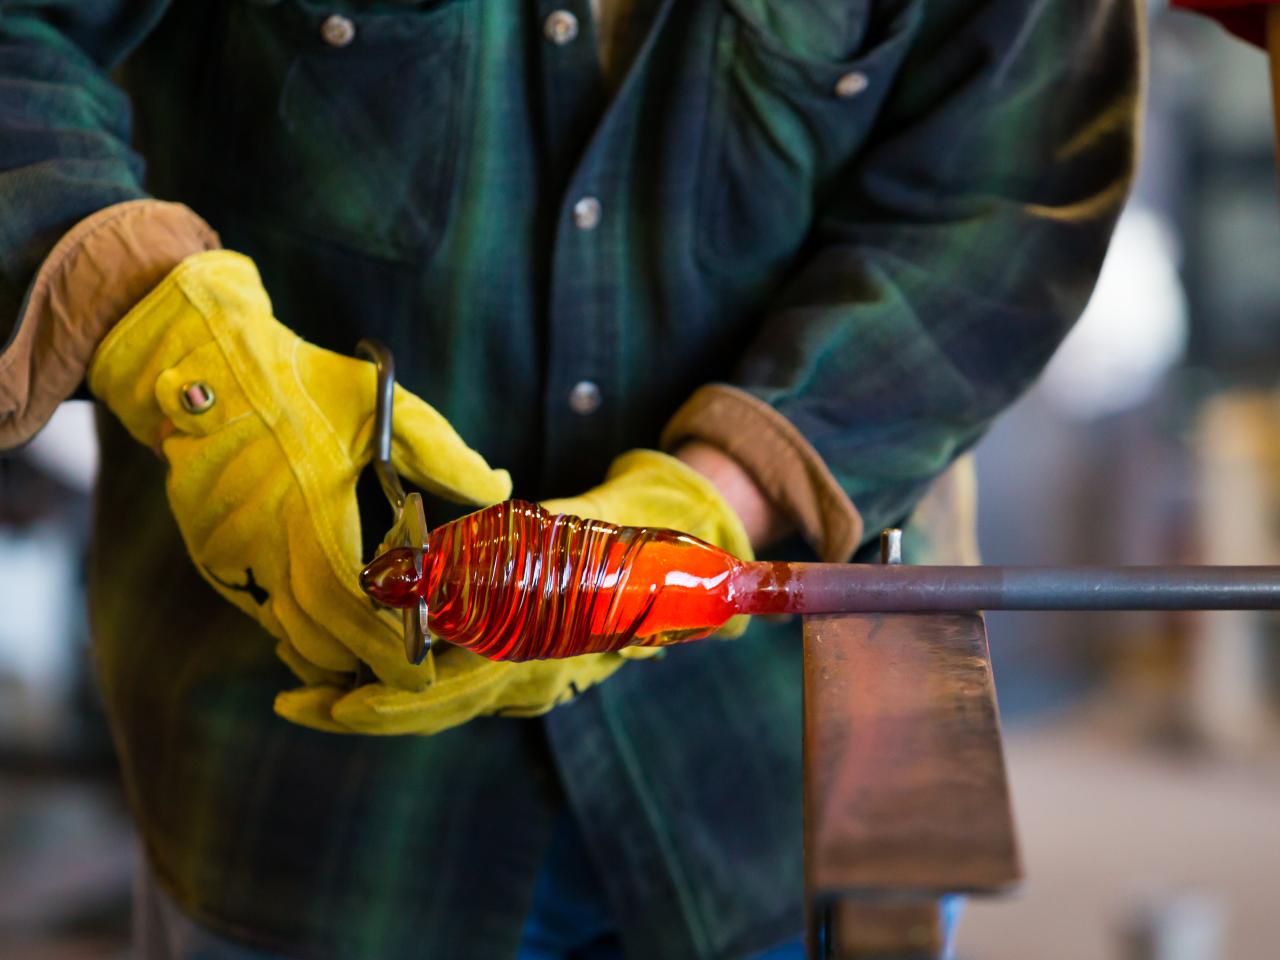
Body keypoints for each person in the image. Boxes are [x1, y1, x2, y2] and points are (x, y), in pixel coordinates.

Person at [0, 2, 1139, 958]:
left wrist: (725, 493)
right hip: (315, 805)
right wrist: (171, 333)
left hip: (776, 760)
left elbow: (1007, 185)